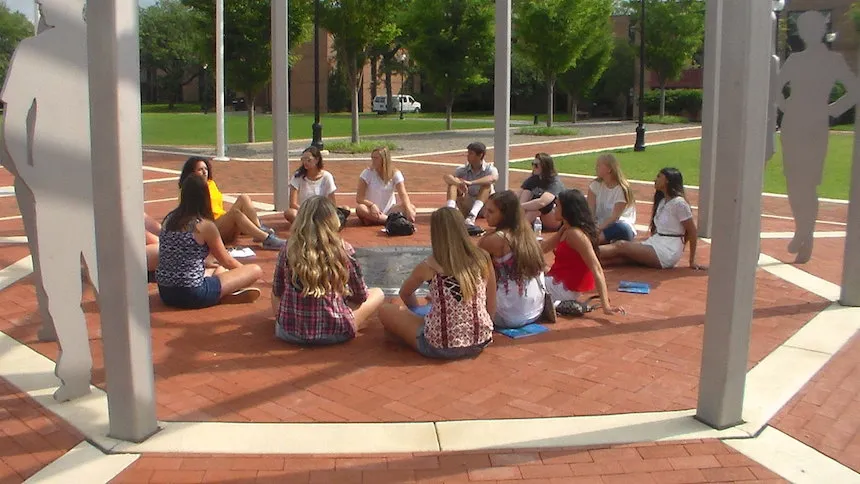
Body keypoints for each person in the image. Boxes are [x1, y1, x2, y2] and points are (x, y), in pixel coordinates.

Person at [774, 11, 856, 263]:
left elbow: (854, 90)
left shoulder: (834, 59)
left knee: (808, 182)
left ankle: (807, 234)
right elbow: (776, 88)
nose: (808, 31)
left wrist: (831, 111)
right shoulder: (795, 60)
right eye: (804, 27)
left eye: (813, 26)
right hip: (793, 124)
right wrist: (786, 107)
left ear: (821, 29)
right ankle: (802, 228)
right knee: (793, 180)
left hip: (815, 124)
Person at [378, 208, 496, 359]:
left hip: (440, 345)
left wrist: (416, 311)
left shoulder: (429, 265)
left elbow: (405, 293)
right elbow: (491, 302)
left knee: (386, 310)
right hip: (480, 340)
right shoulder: (483, 258)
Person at [272, 196, 384, 345]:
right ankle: (332, 314)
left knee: (274, 293)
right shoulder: (343, 249)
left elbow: (278, 290)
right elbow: (361, 296)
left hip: (289, 333)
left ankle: (291, 319)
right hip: (337, 332)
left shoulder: (288, 248)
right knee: (378, 293)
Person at [156, 176, 264, 309]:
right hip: (193, 293)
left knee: (217, 268)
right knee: (254, 270)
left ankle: (223, 293)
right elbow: (227, 261)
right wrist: (244, 276)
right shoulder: (204, 225)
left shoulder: (168, 219)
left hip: (166, 293)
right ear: (205, 197)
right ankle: (222, 294)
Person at [598, 168, 704, 270]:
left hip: (667, 250)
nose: (655, 179)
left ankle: (585, 253)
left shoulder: (679, 204)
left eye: (659, 177)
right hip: (656, 243)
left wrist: (692, 260)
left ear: (667, 181)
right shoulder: (662, 202)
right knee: (619, 259)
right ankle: (587, 264)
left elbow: (692, 231)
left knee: (621, 245)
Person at [542, 189, 625, 316]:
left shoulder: (575, 234)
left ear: (567, 210)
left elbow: (596, 268)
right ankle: (554, 303)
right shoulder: (566, 229)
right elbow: (542, 248)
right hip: (559, 282)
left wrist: (605, 306)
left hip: (563, 289)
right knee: (534, 265)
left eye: (557, 206)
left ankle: (552, 302)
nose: (554, 208)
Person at [178, 156, 285, 250]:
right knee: (235, 214)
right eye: (200, 169)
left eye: (205, 168)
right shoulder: (190, 189)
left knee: (244, 198)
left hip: (221, 222)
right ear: (192, 173)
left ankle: (258, 231)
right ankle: (267, 239)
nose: (204, 172)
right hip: (208, 227)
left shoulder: (210, 184)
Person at [478, 191, 547, 329]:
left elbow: (472, 269)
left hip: (508, 316)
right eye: (485, 210)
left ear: (504, 214)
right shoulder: (527, 234)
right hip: (536, 310)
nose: (485, 215)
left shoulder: (495, 240)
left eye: (491, 211)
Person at [443, 141, 498, 234]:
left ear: (480, 155)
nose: (467, 156)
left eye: (471, 153)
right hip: (467, 205)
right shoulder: (462, 169)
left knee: (487, 186)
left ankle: (472, 217)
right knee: (453, 183)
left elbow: (493, 178)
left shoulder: (490, 169)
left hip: (485, 208)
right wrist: (458, 183)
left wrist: (471, 183)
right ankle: (450, 214)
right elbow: (447, 177)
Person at [284, 146, 349, 224]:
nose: (305, 162)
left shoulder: (327, 176)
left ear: (317, 160)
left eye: (309, 160)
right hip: (304, 211)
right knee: (290, 213)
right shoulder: (297, 176)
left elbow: (332, 202)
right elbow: (293, 204)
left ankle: (318, 224)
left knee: (345, 209)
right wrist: (308, 212)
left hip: (321, 211)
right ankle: (312, 225)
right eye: (303, 159)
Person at [355, 146, 417, 224]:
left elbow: (403, 194)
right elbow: (359, 198)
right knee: (360, 209)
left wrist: (409, 210)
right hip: (372, 209)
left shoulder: (395, 173)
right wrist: (372, 205)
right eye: (372, 158)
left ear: (384, 160)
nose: (373, 161)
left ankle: (380, 219)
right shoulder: (367, 173)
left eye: (376, 158)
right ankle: (390, 220)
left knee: (411, 207)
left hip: (390, 209)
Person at [587, 153, 637, 244]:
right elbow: (590, 212)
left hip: (617, 226)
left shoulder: (622, 189)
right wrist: (591, 227)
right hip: (598, 226)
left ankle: (592, 243)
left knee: (622, 228)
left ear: (609, 169)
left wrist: (599, 229)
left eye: (599, 165)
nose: (596, 167)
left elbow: (615, 217)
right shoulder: (595, 185)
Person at [518, 153, 566, 231]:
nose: (533, 167)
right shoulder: (533, 179)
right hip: (537, 218)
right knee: (526, 196)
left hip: (554, 219)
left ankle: (519, 229)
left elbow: (542, 202)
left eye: (536, 165)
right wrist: (519, 206)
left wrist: (520, 206)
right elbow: (520, 194)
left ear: (545, 167)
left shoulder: (554, 182)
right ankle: (518, 225)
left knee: (538, 207)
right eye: (532, 164)